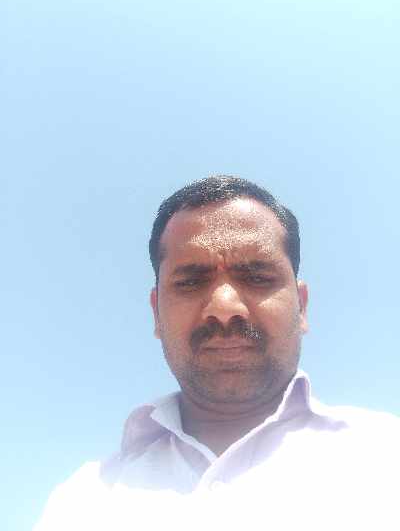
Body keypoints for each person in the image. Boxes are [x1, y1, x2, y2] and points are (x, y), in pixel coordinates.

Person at [35, 176, 400, 531]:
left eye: (257, 278)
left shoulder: (386, 454)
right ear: (156, 313)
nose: (224, 308)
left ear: (301, 306)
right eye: (190, 282)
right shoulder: (83, 500)